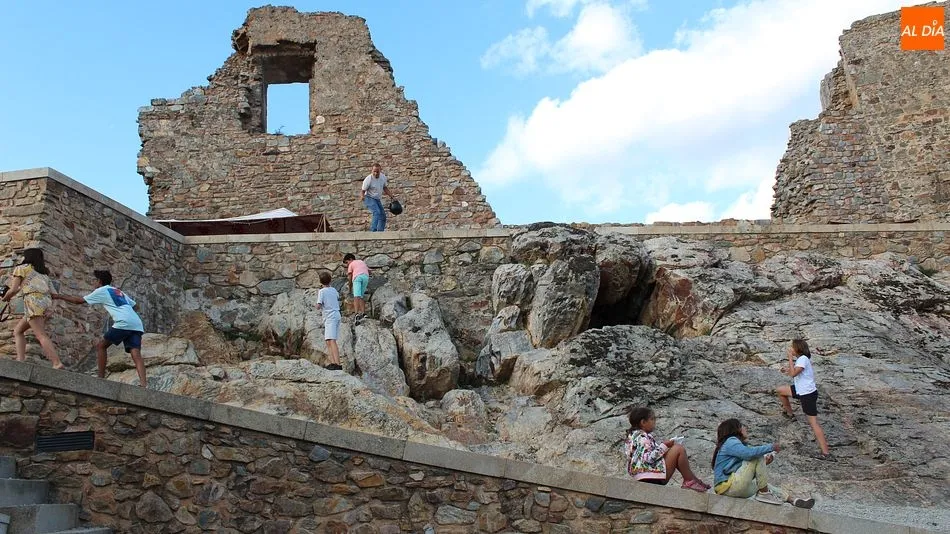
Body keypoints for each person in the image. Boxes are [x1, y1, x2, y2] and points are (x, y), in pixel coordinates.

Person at [53, 270, 147, 387]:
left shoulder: (101, 290)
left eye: (95, 280)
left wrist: (58, 296)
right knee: (136, 353)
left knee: (101, 346)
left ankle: (101, 379)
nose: (93, 282)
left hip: (123, 322)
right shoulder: (117, 291)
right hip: (137, 323)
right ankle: (143, 384)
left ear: (99, 281)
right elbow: (135, 305)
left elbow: (79, 301)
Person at [711, 418, 815, 508]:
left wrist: (764, 462)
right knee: (756, 456)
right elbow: (749, 454)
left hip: (732, 487)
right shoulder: (730, 441)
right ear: (736, 429)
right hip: (728, 487)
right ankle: (764, 493)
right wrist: (771, 447)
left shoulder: (734, 445)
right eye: (742, 426)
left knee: (763, 483)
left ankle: (793, 500)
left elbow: (743, 468)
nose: (745, 428)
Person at [2, 248, 64, 369]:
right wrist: (52, 309)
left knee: (40, 335)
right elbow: (55, 295)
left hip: (33, 302)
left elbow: (14, 289)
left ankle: (57, 363)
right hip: (45, 304)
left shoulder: (21, 268)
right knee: (18, 331)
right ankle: (20, 360)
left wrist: (5, 297)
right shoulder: (43, 274)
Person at [623, 406, 710, 492]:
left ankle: (694, 480)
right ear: (643, 422)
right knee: (678, 449)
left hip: (641, 475)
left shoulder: (632, 437)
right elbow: (648, 458)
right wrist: (664, 445)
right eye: (652, 419)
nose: (654, 422)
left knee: (674, 451)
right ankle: (690, 481)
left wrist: (664, 450)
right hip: (650, 476)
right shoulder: (643, 437)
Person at [776, 339, 832, 460]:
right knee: (781, 390)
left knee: (813, 423)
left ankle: (826, 453)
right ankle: (790, 414)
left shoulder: (802, 359)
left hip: (807, 393)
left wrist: (790, 358)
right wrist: (786, 370)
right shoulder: (801, 360)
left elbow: (793, 374)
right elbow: (794, 372)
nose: (790, 349)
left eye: (792, 347)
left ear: (797, 348)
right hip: (801, 389)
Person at [316, 271, 342, 371]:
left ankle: (338, 364)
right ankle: (333, 362)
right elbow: (336, 298)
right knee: (328, 341)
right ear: (330, 280)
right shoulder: (334, 290)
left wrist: (318, 305)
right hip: (335, 315)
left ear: (320, 281)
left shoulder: (322, 291)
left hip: (330, 317)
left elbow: (318, 305)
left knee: (332, 340)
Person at [360, 163, 394, 232]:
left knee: (383, 216)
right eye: (374, 171)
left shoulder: (383, 177)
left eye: (377, 172)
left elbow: (385, 188)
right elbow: (363, 191)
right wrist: (362, 196)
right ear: (372, 171)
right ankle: (373, 231)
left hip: (377, 199)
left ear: (380, 170)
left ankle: (380, 232)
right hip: (368, 197)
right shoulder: (368, 179)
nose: (375, 173)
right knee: (377, 212)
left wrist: (392, 196)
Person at [343, 253, 370, 321]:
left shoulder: (351, 264)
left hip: (357, 278)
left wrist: (350, 287)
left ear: (350, 259)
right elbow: (368, 270)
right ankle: (364, 313)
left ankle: (356, 313)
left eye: (347, 262)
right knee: (361, 296)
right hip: (366, 277)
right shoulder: (361, 261)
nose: (347, 264)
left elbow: (350, 277)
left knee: (356, 296)